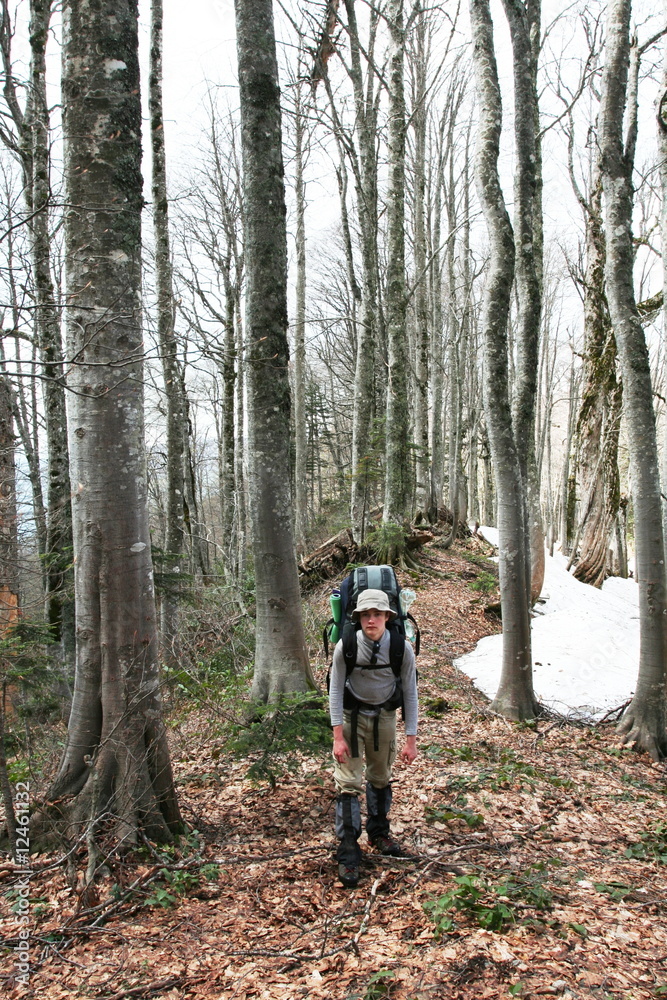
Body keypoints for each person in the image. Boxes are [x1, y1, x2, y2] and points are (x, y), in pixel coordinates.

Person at [329, 588, 418, 888]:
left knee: (381, 776)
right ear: (358, 618)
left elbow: (411, 692)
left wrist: (411, 739)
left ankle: (379, 834)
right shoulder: (347, 645)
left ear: (387, 617)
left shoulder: (401, 648)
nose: (371, 620)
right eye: (366, 615)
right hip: (352, 719)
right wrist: (337, 736)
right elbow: (335, 690)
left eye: (377, 614)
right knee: (349, 782)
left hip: (385, 717)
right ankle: (349, 850)